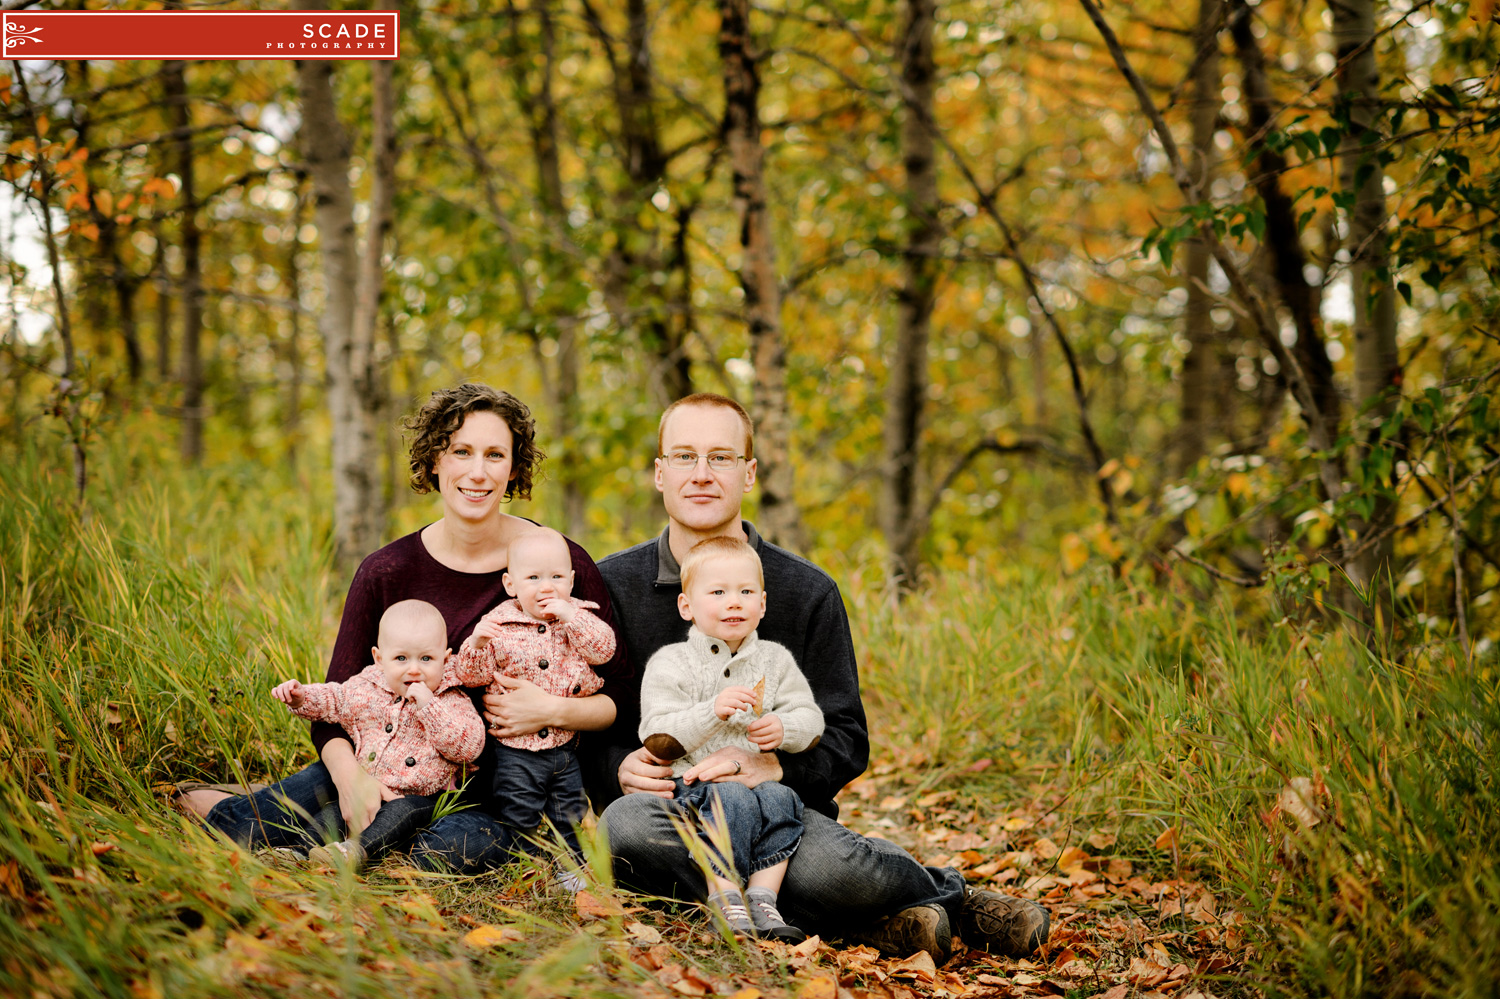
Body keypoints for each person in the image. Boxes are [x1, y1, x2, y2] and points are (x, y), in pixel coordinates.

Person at [586, 393, 1049, 964]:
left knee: (837, 869)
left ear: (749, 472)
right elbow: (585, 719)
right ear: (660, 472)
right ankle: (863, 923)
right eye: (684, 457)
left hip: (781, 813)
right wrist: (616, 766)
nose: (701, 475)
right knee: (621, 833)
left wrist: (771, 765)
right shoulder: (608, 585)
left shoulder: (806, 591)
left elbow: (848, 737)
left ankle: (956, 899)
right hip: (669, 812)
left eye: (721, 458)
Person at [180, 383, 630, 875]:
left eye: (495, 455)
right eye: (461, 451)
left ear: (514, 468)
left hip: (498, 788)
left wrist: (553, 709)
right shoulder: (386, 571)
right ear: (435, 460)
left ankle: (356, 833)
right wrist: (352, 778)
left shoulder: (556, 564)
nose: (477, 472)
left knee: (438, 857)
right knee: (239, 833)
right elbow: (337, 705)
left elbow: (622, 696)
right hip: (386, 758)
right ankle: (235, 805)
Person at [637, 536, 823, 942]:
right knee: (731, 798)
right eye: (718, 592)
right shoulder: (671, 662)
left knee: (782, 798)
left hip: (757, 786)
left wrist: (784, 728)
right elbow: (656, 734)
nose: (734, 602)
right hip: (693, 788)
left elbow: (810, 717)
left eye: (745, 592)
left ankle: (762, 899)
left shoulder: (775, 659)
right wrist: (711, 710)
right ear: (687, 606)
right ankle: (724, 897)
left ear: (763, 603)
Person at [262, 599, 484, 867]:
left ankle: (355, 853)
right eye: (401, 658)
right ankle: (298, 852)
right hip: (368, 788)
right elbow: (334, 699)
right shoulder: (368, 688)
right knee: (334, 813)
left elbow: (469, 747)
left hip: (424, 798)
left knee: (401, 812)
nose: (414, 669)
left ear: (446, 659)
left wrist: (429, 708)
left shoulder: (451, 699)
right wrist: (300, 698)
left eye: (426, 658)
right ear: (379, 659)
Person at [450, 527, 616, 865]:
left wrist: (572, 618)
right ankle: (528, 864)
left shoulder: (579, 616)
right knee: (519, 809)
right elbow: (472, 676)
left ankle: (570, 867)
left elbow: (604, 651)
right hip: (515, 751)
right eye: (533, 577)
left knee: (569, 809)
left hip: (566, 746)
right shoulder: (500, 624)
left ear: (570, 581)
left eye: (556, 576)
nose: (546, 586)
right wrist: (477, 643)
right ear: (511, 585)